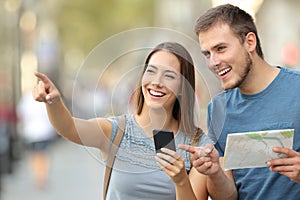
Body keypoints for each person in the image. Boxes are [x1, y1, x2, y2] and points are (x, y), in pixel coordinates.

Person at [32, 42, 212, 200]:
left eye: (169, 76)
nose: (157, 82)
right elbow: (69, 128)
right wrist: (53, 102)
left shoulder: (196, 144)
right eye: (151, 71)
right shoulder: (117, 131)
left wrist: (181, 181)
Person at [179, 3, 300, 200]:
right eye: (207, 54)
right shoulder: (218, 109)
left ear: (249, 42)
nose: (213, 62)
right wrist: (214, 171)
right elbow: (229, 196)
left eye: (221, 48)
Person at [17, 91, 56, 190]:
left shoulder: (26, 99)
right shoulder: (44, 98)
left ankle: (38, 177)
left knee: (34, 156)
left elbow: (21, 116)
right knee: (42, 156)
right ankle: (42, 177)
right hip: (43, 132)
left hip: (31, 132)